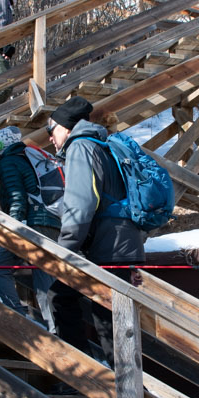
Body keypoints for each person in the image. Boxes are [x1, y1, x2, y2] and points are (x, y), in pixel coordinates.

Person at [46, 96, 144, 364]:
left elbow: (81, 204)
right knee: (110, 318)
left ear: (66, 127)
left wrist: (63, 251)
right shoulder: (106, 145)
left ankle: (84, 374)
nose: (50, 139)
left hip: (107, 247)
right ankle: (124, 384)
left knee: (62, 296)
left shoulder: (81, 147)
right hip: (124, 244)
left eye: (51, 130)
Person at [0, 126, 60, 332]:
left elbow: (17, 196)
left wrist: (15, 226)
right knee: (44, 276)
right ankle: (55, 330)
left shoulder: (9, 162)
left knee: (1, 268)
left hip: (31, 223)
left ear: (0, 146)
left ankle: (18, 319)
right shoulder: (28, 158)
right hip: (51, 222)